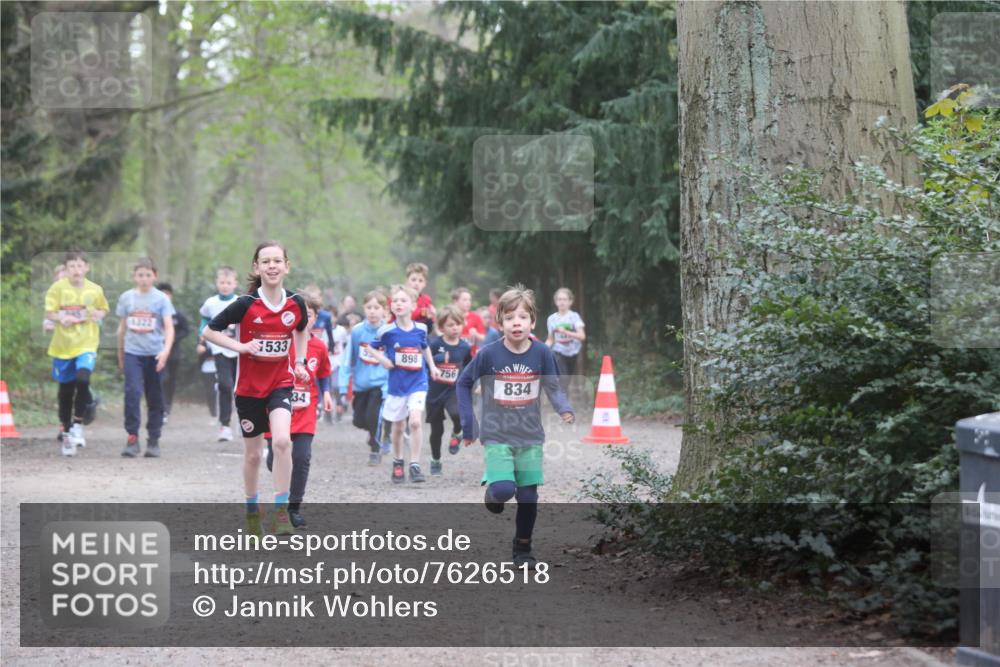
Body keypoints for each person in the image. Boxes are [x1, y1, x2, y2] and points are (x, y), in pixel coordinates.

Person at [456, 285, 574, 567]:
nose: (516, 323)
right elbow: (463, 382)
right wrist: (468, 423)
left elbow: (553, 386)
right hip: (496, 434)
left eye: (522, 317)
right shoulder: (488, 354)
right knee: (505, 489)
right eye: (509, 318)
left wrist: (564, 408)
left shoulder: (543, 353)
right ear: (501, 323)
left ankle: (523, 550)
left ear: (532, 322)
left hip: (530, 435)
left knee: (528, 495)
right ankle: (492, 492)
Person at [203, 241, 310, 537]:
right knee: (253, 455)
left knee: (282, 443)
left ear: (287, 266)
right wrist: (241, 346)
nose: (272, 266)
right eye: (266, 261)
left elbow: (301, 329)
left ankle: (280, 512)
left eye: (278, 261)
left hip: (281, 383)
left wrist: (299, 361)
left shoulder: (295, 303)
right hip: (249, 388)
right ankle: (252, 511)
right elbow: (209, 331)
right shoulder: (246, 303)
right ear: (257, 267)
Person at [264, 293, 333, 529]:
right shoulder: (278, 341)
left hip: (305, 411)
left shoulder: (319, 346)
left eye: (310, 315)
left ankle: (293, 508)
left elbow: (324, 374)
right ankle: (281, 499)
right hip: (275, 409)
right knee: (275, 458)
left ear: (314, 318)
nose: (304, 318)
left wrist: (325, 393)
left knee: (301, 458)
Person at [367, 284, 441, 484]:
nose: (398, 304)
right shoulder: (386, 331)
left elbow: (424, 348)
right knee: (398, 427)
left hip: (418, 382)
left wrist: (432, 366)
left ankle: (415, 464)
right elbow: (371, 348)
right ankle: (398, 462)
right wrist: (383, 360)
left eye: (403, 301)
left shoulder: (421, 329)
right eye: (395, 301)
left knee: (415, 421)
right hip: (397, 386)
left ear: (413, 305)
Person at [44, 251, 109, 456]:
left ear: (87, 268)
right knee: (65, 392)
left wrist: (100, 313)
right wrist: (60, 317)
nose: (76, 270)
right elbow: (49, 312)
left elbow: (103, 308)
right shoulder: (57, 289)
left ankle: (78, 424)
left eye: (80, 266)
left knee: (83, 380)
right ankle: (66, 431)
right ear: (66, 268)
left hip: (87, 344)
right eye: (72, 266)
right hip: (63, 348)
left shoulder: (95, 289)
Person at [115, 258, 175, 458]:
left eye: (148, 275)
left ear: (154, 276)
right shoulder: (126, 298)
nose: (144, 279)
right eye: (140, 275)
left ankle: (153, 439)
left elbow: (169, 327)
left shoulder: (161, 299)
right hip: (133, 353)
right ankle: (132, 438)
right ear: (134, 276)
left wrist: (165, 351)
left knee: (154, 397)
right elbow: (122, 328)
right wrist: (120, 353)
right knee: (132, 393)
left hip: (154, 354)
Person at [339, 290, 390, 465]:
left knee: (373, 416)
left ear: (384, 310)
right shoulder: (358, 331)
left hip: (381, 384)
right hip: (361, 384)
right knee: (359, 420)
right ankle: (373, 432)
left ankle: (375, 450)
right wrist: (343, 385)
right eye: (369, 307)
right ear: (364, 309)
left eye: (377, 307)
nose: (373, 311)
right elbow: (349, 358)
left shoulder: (389, 332)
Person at [426, 306, 472, 473]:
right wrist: (437, 360)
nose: (455, 328)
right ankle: (436, 460)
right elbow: (425, 363)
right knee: (436, 430)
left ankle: (457, 432)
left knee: (457, 413)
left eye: (458, 324)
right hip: (435, 392)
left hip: (454, 390)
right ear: (442, 327)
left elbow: (469, 366)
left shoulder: (465, 347)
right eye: (451, 325)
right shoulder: (434, 344)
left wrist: (472, 384)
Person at [199, 267, 240, 442]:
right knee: (225, 385)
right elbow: (204, 323)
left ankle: (246, 422)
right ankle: (225, 425)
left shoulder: (241, 302)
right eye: (222, 282)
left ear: (234, 284)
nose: (225, 286)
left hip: (239, 350)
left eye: (228, 283)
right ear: (217, 283)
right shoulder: (210, 303)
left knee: (241, 388)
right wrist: (202, 341)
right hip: (219, 349)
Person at [156, 282, 190, 423]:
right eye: (161, 293)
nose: (164, 296)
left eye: (167, 293)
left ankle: (167, 406)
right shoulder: (153, 313)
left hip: (174, 353)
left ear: (171, 296)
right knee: (161, 379)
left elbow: (186, 330)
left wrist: (173, 338)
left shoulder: (177, 314)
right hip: (157, 351)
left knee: (170, 381)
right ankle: (160, 407)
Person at [545, 287, 586, 394]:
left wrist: (566, 332)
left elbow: (582, 336)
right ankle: (563, 406)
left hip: (573, 352)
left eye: (564, 299)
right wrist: (543, 349)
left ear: (570, 301)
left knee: (567, 379)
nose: (562, 302)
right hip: (558, 351)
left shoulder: (574, 317)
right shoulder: (551, 319)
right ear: (555, 302)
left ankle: (563, 401)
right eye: (559, 299)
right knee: (563, 378)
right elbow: (550, 339)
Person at [452, 287, 486, 355]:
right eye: (465, 300)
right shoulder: (450, 317)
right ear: (455, 301)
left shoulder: (476, 317)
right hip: (454, 355)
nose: (468, 302)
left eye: (469, 300)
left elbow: (483, 338)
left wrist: (476, 334)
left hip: (471, 355)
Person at [405, 263, 436, 330]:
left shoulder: (427, 299)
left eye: (420, 281)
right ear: (407, 281)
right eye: (413, 280)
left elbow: (431, 319)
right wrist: (423, 312)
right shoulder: (401, 298)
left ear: (425, 284)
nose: (416, 284)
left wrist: (432, 315)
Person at [197, 341, 218, 421]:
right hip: (207, 368)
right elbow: (200, 350)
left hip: (221, 367)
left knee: (222, 390)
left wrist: (207, 351)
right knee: (210, 392)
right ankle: (213, 414)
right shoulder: (203, 336)